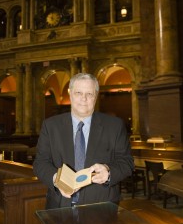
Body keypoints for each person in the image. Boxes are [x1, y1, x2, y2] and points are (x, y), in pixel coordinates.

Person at [33, 73, 134, 209]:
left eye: (89, 94)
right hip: (60, 206)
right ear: (71, 94)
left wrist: (109, 172)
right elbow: (40, 162)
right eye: (78, 93)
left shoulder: (114, 126)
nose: (84, 99)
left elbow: (127, 162)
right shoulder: (51, 126)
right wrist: (57, 179)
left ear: (96, 97)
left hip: (102, 207)